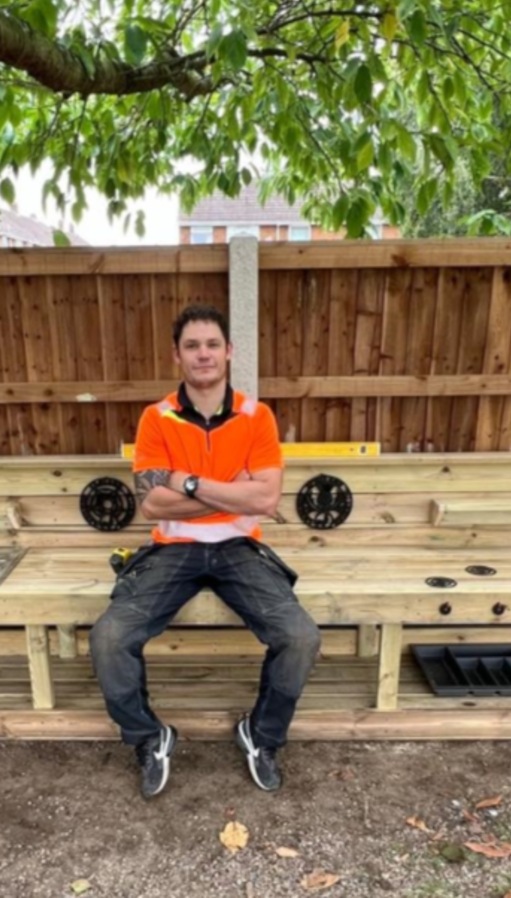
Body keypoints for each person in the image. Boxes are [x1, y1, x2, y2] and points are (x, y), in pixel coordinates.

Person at [89, 304, 322, 799]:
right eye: (192, 346)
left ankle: (262, 736)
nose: (203, 354)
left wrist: (186, 481)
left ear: (228, 351)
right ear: (178, 356)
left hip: (240, 548)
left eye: (212, 344)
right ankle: (150, 737)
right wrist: (229, 490)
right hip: (173, 549)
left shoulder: (257, 416)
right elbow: (152, 505)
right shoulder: (157, 417)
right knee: (109, 637)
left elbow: (265, 500)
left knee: (300, 637)